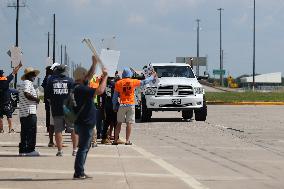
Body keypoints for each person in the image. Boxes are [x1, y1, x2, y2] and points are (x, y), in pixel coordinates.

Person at [73, 55, 108, 179]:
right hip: (85, 122)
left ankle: (80, 170)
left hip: (80, 121)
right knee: (83, 148)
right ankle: (79, 172)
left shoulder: (75, 87)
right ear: (82, 77)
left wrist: (93, 64)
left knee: (84, 147)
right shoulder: (82, 89)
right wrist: (105, 77)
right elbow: (100, 91)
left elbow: (87, 76)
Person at [112, 68, 156, 145]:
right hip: (131, 105)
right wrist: (152, 76)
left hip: (122, 104)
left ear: (123, 74)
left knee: (119, 123)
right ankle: (127, 140)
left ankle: (115, 140)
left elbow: (115, 97)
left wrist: (115, 106)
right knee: (129, 123)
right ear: (130, 74)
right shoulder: (133, 81)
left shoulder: (118, 83)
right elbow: (144, 82)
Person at [46, 64, 78, 156]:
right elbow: (74, 95)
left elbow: (47, 96)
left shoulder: (51, 80)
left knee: (58, 130)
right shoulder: (70, 81)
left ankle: (60, 151)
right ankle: (75, 150)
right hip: (69, 109)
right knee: (73, 130)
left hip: (56, 109)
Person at [18, 67, 41, 156]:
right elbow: (26, 94)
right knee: (31, 131)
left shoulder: (22, 84)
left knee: (24, 132)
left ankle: (23, 150)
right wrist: (36, 99)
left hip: (24, 112)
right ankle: (30, 150)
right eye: (33, 74)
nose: (35, 76)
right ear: (29, 75)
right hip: (29, 112)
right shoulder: (28, 83)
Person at [0, 63, 22, 133]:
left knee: (0, 117)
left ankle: (1, 129)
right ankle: (10, 129)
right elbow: (14, 73)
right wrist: (19, 66)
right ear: (2, 74)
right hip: (6, 102)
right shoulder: (6, 80)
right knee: (9, 116)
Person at [41, 66, 55, 147]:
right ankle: (48, 128)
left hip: (47, 98)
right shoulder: (51, 77)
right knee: (50, 116)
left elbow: (43, 86)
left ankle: (47, 127)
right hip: (50, 99)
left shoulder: (46, 77)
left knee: (48, 114)